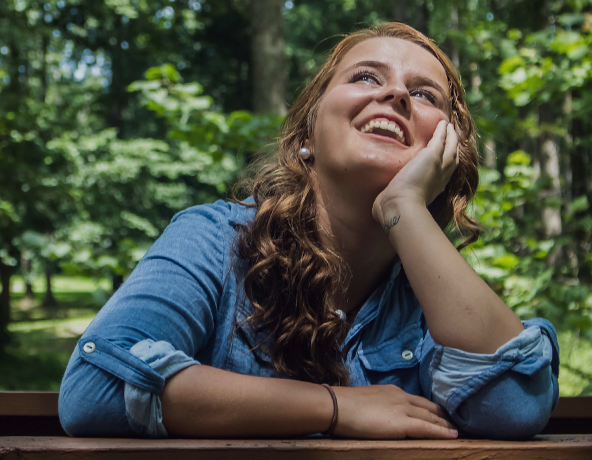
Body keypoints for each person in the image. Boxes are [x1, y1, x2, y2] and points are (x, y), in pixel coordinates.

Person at [58, 22, 559, 440]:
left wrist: (404, 205)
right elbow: (95, 387)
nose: (395, 94)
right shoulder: (213, 239)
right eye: (365, 77)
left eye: (424, 93)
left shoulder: (435, 299)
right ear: (306, 133)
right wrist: (336, 408)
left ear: (447, 150)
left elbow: (512, 407)